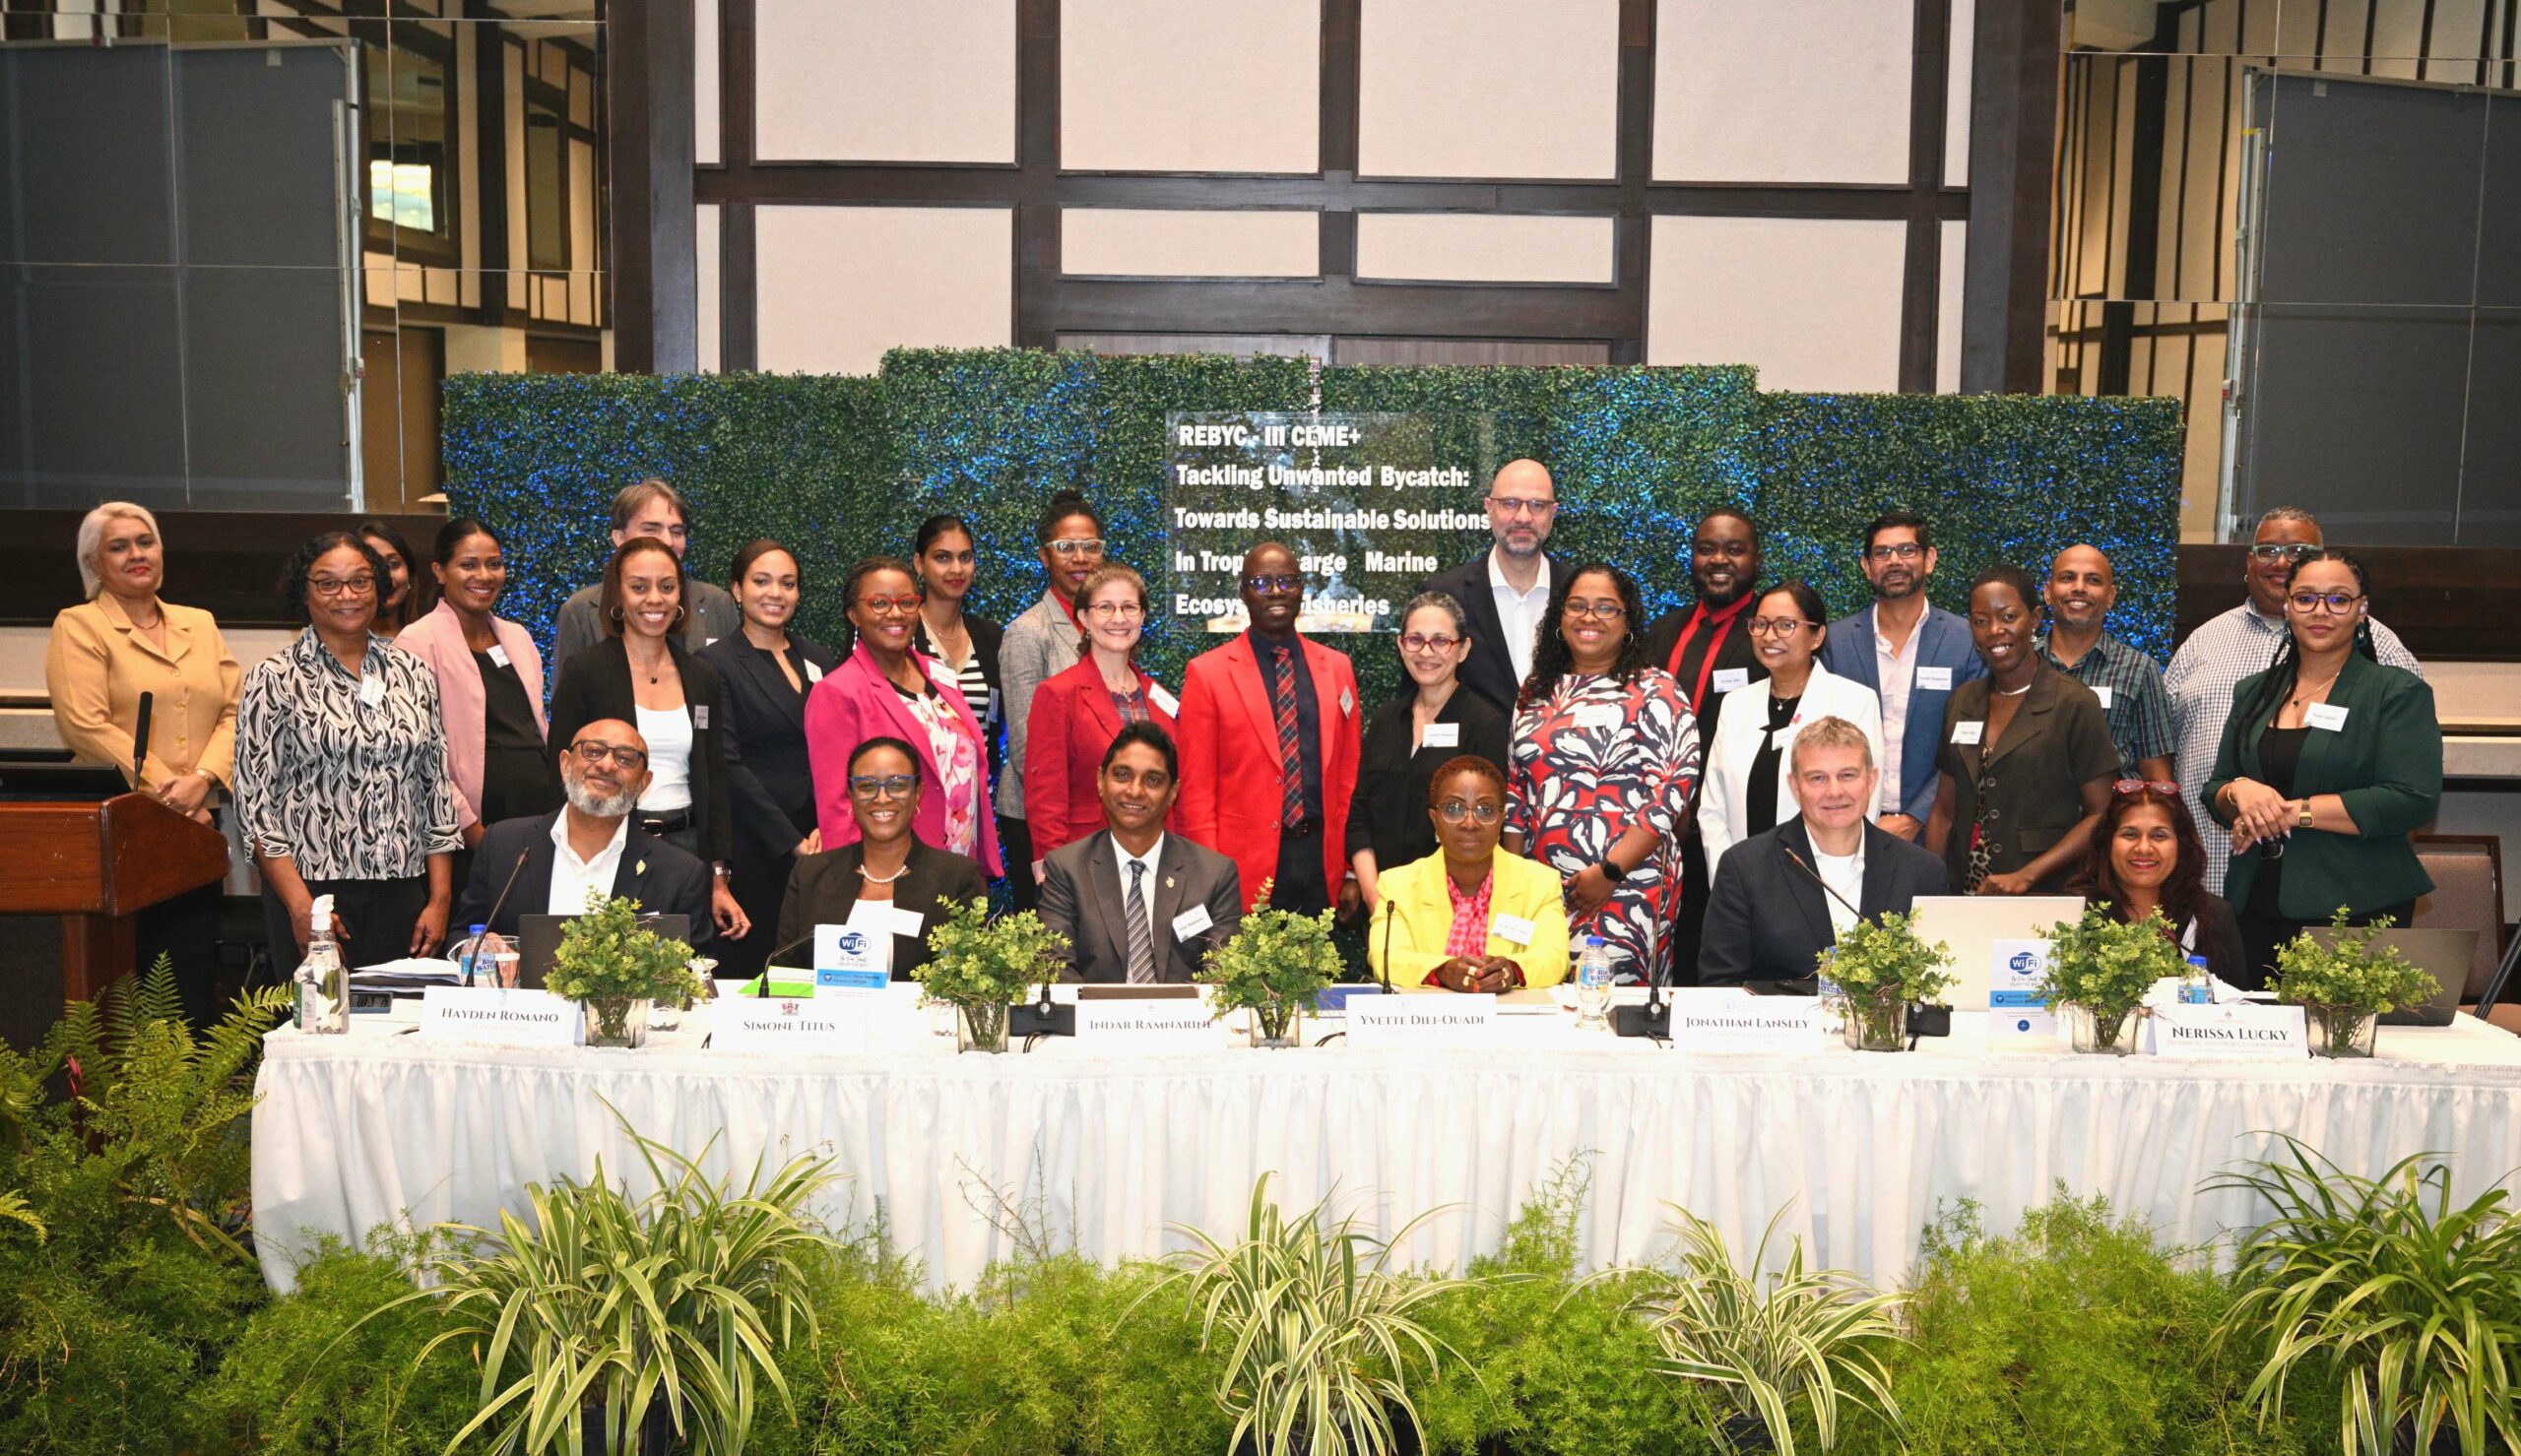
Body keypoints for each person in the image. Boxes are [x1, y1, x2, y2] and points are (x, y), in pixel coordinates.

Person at [2203, 549, 2441, 987]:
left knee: (2336, 1030)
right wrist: (2240, 792)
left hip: (2354, 905)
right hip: (2253, 899)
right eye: (2306, 598)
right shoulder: (2254, 692)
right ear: (2288, 606)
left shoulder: (2396, 692)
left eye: (2338, 599)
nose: (2320, 611)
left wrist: (2292, 813)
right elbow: (2215, 787)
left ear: (2362, 609)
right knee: (2252, 1027)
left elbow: (2411, 798)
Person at [45, 502, 240, 1023]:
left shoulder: (199, 623)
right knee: (130, 980)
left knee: (189, 972)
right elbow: (85, 725)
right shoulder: (80, 626)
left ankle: (191, 1076)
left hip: (199, 825)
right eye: (119, 546)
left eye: (145, 541)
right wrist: (171, 795)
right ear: (94, 563)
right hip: (123, 827)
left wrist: (202, 780)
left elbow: (235, 711)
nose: (137, 554)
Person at [2167, 507, 2422, 897]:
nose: (2282, 562)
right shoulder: (2203, 642)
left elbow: (2408, 785)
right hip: (2205, 874)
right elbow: (2168, 753)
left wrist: (2288, 813)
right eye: (2268, 550)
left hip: (2338, 881)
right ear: (2249, 563)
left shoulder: (2381, 650)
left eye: (2300, 551)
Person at [235, 532, 458, 967]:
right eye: (328, 584)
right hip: (314, 894)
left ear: (378, 587)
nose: (347, 595)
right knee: (321, 1011)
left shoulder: (413, 673)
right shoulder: (273, 679)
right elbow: (256, 808)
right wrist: (302, 909)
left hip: (403, 891)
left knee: (402, 1011)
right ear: (304, 591)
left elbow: (436, 789)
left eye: (360, 581)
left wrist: (440, 898)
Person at [1504, 562, 1698, 984]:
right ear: (1559, 617)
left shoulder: (1656, 689)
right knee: (1539, 995)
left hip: (1629, 884)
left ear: (1628, 622)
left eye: (1606, 608)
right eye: (1577, 606)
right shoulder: (1535, 690)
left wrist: (1609, 872)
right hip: (1541, 889)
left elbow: (1671, 791)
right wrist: (1513, 883)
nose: (1589, 617)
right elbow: (1516, 791)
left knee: (1615, 1005)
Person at [546, 538, 748, 942]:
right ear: (617, 595)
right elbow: (559, 772)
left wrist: (718, 876)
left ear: (680, 598)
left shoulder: (702, 676)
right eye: (639, 586)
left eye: (667, 587)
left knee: (678, 971)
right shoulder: (586, 670)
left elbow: (714, 780)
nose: (654, 599)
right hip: (608, 847)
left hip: (686, 854)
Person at [1177, 542, 1364, 917]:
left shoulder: (1337, 668)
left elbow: (1349, 778)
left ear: (1302, 590)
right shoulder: (1207, 674)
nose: (1276, 591)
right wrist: (1208, 876)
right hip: (1240, 870)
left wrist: (1349, 868)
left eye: (1287, 581)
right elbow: (1196, 793)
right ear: (1243, 593)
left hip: (1319, 864)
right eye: (1262, 582)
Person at [1699, 717, 1947, 986]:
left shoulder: (1923, 872)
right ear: (1795, 786)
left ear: (1871, 780)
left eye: (1847, 775)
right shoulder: (1745, 868)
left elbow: (1939, 983)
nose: (1834, 791)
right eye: (1817, 778)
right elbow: (1720, 986)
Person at [1925, 565, 2118, 895]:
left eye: (2008, 616)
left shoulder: (2074, 703)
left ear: (2035, 619)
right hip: (1966, 893)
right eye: (1980, 621)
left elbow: (2101, 813)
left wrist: (2028, 875)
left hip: (2045, 893)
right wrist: (1929, 887)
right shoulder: (1962, 701)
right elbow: (1944, 811)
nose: (1994, 631)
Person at [804, 557, 1003, 876]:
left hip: (962, 866)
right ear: (854, 614)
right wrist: (859, 885)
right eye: (879, 603)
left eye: (906, 602)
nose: (895, 613)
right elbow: (838, 810)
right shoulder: (837, 692)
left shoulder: (939, 673)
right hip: (897, 874)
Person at [700, 539, 843, 981]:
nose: (775, 593)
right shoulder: (714, 663)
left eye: (788, 583)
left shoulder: (819, 658)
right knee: (758, 973)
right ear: (736, 590)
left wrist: (828, 826)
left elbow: (838, 748)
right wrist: (790, 840)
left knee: (814, 972)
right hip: (755, 845)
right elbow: (726, 765)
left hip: (822, 842)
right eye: (761, 581)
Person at [453, 719, 715, 944]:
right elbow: (461, 934)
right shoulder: (503, 844)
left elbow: (696, 968)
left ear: (643, 783)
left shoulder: (679, 873)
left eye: (625, 758)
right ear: (565, 764)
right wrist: (478, 948)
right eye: (593, 751)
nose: (607, 765)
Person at [394, 519, 558, 875]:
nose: (484, 575)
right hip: (469, 832)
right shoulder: (416, 642)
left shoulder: (517, 636)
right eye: (468, 565)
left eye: (493, 564)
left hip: (538, 818)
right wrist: (475, 834)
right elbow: (422, 758)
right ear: (440, 571)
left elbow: (537, 727)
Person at [1818, 511, 1983, 843]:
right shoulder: (1834, 642)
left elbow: (1971, 742)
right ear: (1866, 566)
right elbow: (1819, 740)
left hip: (1936, 830)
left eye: (1907, 550)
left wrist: (1916, 817)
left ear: (1929, 559)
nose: (1894, 561)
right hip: (1848, 827)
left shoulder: (1965, 641)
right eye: (1882, 552)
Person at [1696, 581, 1884, 871]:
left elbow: (1864, 801)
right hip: (1743, 877)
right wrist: (1728, 876)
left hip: (1822, 877)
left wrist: (1837, 878)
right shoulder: (1735, 704)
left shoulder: (1854, 701)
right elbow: (1712, 808)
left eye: (1786, 625)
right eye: (1761, 624)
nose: (1769, 636)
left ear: (1817, 636)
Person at [1038, 722, 1244, 983]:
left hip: (1186, 1011)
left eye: (1153, 780)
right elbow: (1055, 965)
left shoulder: (1214, 875)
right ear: (1100, 781)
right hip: (1093, 1011)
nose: (1135, 791)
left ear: (1172, 793)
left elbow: (1222, 975)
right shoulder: (1066, 869)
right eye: (1122, 775)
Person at [1348, 591, 1512, 910]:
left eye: (1440, 641)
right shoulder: (1385, 720)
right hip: (1382, 902)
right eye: (1415, 640)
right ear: (1401, 646)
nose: (1426, 652)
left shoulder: (1484, 724)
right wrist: (1374, 896)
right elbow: (1359, 816)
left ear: (1463, 649)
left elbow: (1486, 827)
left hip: (1454, 906)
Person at [776, 736, 988, 981]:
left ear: (917, 793)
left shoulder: (956, 878)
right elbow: (783, 974)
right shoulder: (811, 873)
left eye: (897, 785)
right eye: (867, 786)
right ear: (851, 795)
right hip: (823, 1007)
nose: (882, 798)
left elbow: (969, 982)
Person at [1366, 755, 1570, 991]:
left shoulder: (1540, 883)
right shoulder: (1397, 885)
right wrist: (1441, 971)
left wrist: (1512, 971)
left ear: (1502, 819)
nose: (1470, 823)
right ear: (1434, 819)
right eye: (1454, 809)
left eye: (1486, 810)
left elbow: (1554, 957)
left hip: (1511, 1013)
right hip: (1427, 1014)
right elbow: (1386, 957)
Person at [1024, 562, 1180, 857]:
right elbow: (1046, 799)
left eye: (1129, 607)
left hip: (1158, 858)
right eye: (1105, 607)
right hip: (1085, 858)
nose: (1119, 618)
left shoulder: (1161, 698)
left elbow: (1175, 788)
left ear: (1142, 616)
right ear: (1084, 617)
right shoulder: (1057, 694)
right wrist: (1051, 867)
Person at [998, 489, 1108, 903]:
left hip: (1097, 811)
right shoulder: (1028, 632)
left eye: (1090, 547)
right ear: (1044, 557)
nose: (1080, 558)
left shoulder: (1107, 625)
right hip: (1041, 818)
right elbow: (1027, 751)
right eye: (1066, 548)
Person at [1417, 458, 1567, 717]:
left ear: (1553, 512)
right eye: (1510, 503)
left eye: (1537, 505)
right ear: (1489, 508)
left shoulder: (1577, 594)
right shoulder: (1443, 596)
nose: (1523, 517)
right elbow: (1419, 703)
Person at [549, 479, 744, 665]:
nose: (667, 540)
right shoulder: (579, 611)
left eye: (676, 531)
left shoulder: (718, 603)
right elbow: (566, 688)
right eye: (651, 529)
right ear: (619, 538)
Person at [2076, 780, 2244, 986]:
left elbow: (2240, 1003)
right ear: (2107, 842)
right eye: (2130, 834)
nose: (2144, 848)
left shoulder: (2214, 915)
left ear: (2181, 845)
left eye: (2159, 835)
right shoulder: (2076, 914)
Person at [2036, 544, 2172, 783]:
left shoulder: (2139, 670)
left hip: (2112, 806)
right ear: (2048, 592)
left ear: (2110, 597)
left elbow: (2158, 780)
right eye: (2067, 578)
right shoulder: (2022, 664)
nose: (2079, 588)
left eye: (2093, 580)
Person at [910, 513, 1004, 777]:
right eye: (942, 558)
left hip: (981, 793)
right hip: (919, 792)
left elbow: (998, 723)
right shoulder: (902, 635)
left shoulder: (989, 636)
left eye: (965, 557)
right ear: (919, 563)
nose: (956, 569)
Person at [357, 519, 421, 637]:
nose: (386, 575)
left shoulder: (430, 637)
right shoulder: (331, 641)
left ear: (409, 574)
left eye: (393, 564)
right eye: (373, 564)